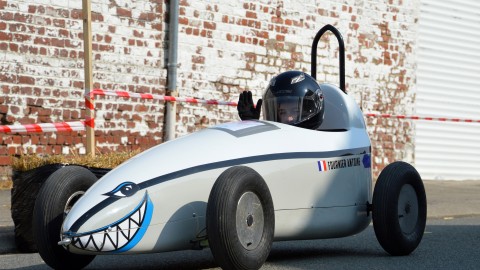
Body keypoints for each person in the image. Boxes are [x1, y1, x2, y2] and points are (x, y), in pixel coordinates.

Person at [237, 70, 325, 130]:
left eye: (295, 111)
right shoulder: (274, 140)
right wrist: (251, 123)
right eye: (283, 112)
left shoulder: (320, 145)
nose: (289, 118)